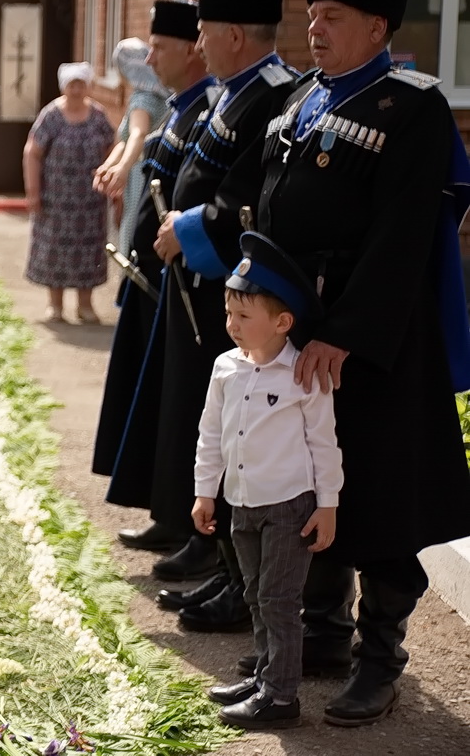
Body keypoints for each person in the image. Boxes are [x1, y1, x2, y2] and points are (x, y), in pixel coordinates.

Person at [254, 0, 470, 726]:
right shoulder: (304, 98)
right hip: (298, 330)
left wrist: (346, 331)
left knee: (375, 496)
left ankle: (380, 660)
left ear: (378, 26)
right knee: (308, 483)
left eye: (332, 17)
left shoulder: (410, 107)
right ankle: (323, 635)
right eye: (312, 14)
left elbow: (403, 234)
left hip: (371, 345)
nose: (314, 27)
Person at [142, 0, 300, 630]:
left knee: (239, 436)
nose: (199, 43)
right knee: (206, 422)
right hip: (200, 284)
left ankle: (236, 576)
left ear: (236, 33)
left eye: (205, 30)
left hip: (230, 288)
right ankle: (220, 560)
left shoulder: (272, 92)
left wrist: (190, 228)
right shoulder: (234, 91)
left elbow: (244, 197)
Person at [193, 232, 341, 729]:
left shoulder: (302, 373)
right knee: (255, 595)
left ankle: (280, 697)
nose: (231, 324)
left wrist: (328, 504)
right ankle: (264, 674)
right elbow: (210, 433)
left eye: (243, 317)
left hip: (288, 506)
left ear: (282, 322)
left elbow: (324, 443)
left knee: (279, 600)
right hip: (241, 503)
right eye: (229, 313)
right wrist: (204, 491)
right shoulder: (224, 368)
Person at [93, 1, 211, 560]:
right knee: (160, 399)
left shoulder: (206, 105)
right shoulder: (183, 106)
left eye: (160, 47)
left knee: (181, 403)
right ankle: (168, 511)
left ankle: (186, 524)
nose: (150, 56)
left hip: (188, 282)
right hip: (157, 271)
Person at [22, 61, 115, 323]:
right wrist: (33, 191)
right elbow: (33, 153)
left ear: (87, 86)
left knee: (89, 252)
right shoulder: (51, 115)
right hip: (56, 200)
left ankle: (85, 305)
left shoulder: (98, 116)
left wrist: (113, 184)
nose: (76, 90)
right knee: (55, 250)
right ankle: (55, 305)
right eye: (72, 85)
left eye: (81, 84)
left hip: (90, 201)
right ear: (64, 87)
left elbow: (112, 148)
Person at [94, 37, 169, 256]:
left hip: (139, 174)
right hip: (146, 169)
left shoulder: (143, 100)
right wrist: (108, 165)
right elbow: (125, 142)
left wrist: (124, 168)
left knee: (134, 230)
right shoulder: (162, 94)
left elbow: (137, 135)